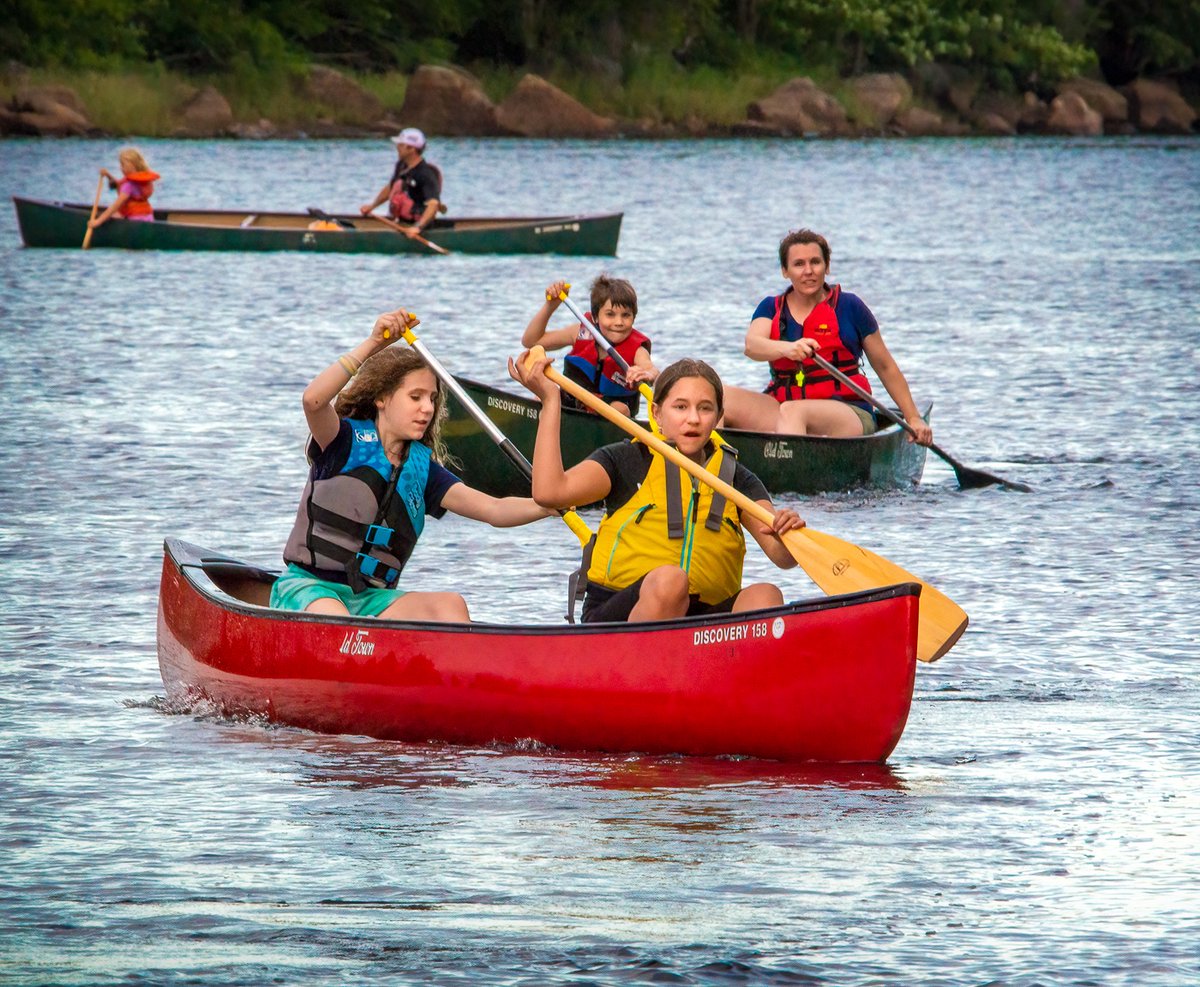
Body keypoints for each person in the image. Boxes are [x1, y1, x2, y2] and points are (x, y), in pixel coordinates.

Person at [272, 308, 554, 622]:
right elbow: (313, 400)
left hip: (370, 599)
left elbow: (495, 510)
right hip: (309, 589)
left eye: (432, 399)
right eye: (415, 397)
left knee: (451, 605)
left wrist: (549, 505)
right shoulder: (342, 439)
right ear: (382, 398)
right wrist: (372, 344)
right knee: (338, 619)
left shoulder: (422, 471)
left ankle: (458, 667)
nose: (427, 409)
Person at [510, 352, 805, 623]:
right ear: (658, 414)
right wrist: (550, 403)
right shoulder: (626, 460)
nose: (693, 419)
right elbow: (549, 492)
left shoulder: (737, 479)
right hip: (619, 612)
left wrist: (789, 534)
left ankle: (735, 675)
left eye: (705, 409)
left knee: (766, 595)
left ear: (717, 417)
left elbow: (783, 558)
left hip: (702, 623)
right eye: (680, 407)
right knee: (671, 581)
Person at [723, 229, 933, 444]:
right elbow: (752, 345)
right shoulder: (770, 307)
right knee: (719, 397)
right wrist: (788, 349)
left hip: (848, 412)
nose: (808, 271)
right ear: (785, 271)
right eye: (798, 264)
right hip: (783, 406)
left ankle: (794, 475)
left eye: (815, 262)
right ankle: (707, 472)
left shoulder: (851, 306)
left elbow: (885, 366)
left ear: (827, 267)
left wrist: (913, 417)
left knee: (794, 411)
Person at [520, 275, 659, 419]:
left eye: (626, 315)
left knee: (620, 408)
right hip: (572, 403)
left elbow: (652, 370)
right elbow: (531, 341)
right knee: (544, 395)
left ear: (633, 317)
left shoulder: (637, 350)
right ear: (595, 317)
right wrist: (551, 306)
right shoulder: (580, 332)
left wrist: (647, 374)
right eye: (610, 314)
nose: (619, 322)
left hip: (611, 415)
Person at [359, 128, 442, 238]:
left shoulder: (425, 174)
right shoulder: (401, 165)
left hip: (418, 227)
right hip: (401, 222)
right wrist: (372, 206)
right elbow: (391, 187)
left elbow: (433, 204)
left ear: (411, 149)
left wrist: (417, 228)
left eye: (400, 145)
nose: (397, 147)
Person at [88, 147, 159, 230]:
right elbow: (120, 185)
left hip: (135, 223)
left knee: (113, 214)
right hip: (148, 218)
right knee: (117, 214)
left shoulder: (129, 185)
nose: (121, 168)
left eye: (122, 165)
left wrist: (98, 221)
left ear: (131, 165)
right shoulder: (143, 180)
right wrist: (108, 175)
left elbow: (115, 206)